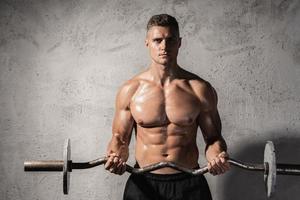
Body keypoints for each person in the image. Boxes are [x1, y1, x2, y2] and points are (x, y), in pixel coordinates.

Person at [104, 14, 230, 200]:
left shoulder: (199, 89)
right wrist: (116, 156)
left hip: (189, 182)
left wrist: (217, 156)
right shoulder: (131, 90)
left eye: (170, 40)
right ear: (147, 42)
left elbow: (213, 138)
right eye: (157, 40)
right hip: (143, 183)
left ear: (179, 43)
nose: (164, 47)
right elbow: (119, 139)